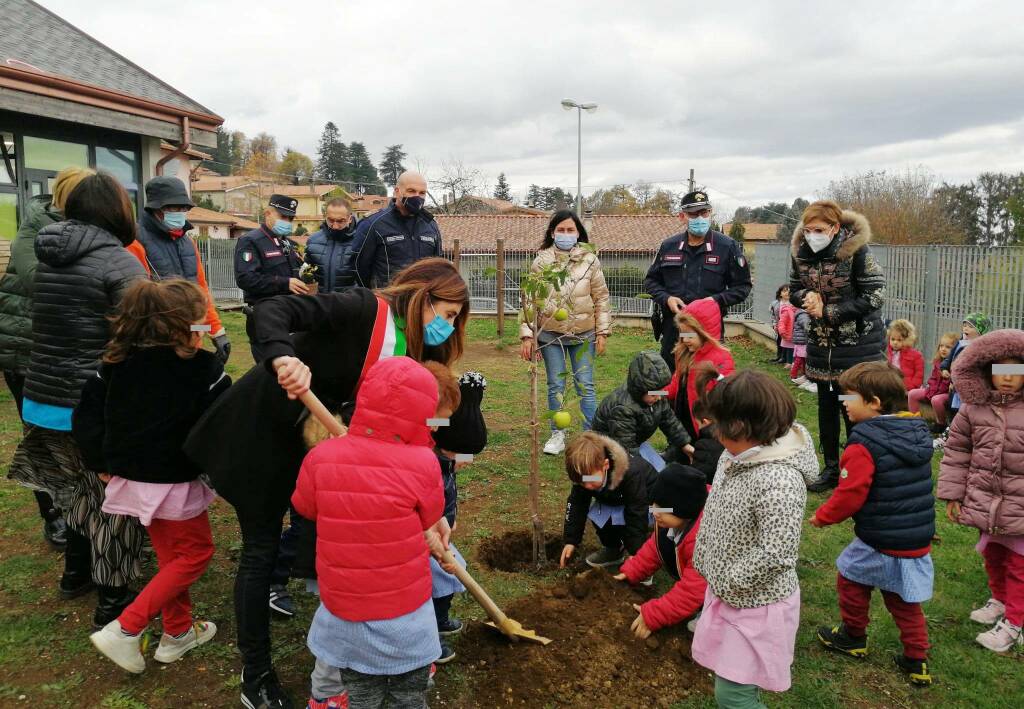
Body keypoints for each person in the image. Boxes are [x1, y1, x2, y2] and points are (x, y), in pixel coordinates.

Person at [183, 258, 468, 709]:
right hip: (261, 432)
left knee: (324, 537)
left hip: (319, 453)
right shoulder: (362, 308)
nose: (448, 328)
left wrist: (423, 505)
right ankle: (256, 672)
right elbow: (273, 311)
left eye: (455, 320)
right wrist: (283, 356)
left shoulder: (413, 349)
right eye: (448, 313)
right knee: (260, 548)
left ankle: (340, 654)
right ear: (423, 295)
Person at [7, 171, 148, 628]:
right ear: (117, 209)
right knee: (113, 502)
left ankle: (75, 574)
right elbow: (138, 336)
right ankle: (113, 600)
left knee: (74, 495)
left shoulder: (46, 255)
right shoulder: (120, 262)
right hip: (92, 402)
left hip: (43, 395)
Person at [74, 279, 229, 673]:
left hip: (130, 478)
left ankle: (177, 633)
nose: (205, 330)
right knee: (195, 554)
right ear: (182, 326)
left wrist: (101, 464)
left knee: (171, 558)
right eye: (200, 323)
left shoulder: (113, 364)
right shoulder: (205, 370)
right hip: (174, 482)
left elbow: (86, 418)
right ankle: (125, 629)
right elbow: (220, 427)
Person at [291, 357, 455, 709]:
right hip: (405, 616)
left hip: (346, 612)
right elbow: (431, 514)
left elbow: (304, 507)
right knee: (409, 696)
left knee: (362, 696)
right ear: (424, 411)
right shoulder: (423, 462)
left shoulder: (322, 457)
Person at [691, 371, 819, 709]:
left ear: (744, 428)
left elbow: (777, 553)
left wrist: (731, 581)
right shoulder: (736, 455)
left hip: (756, 601)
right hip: (730, 592)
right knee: (738, 683)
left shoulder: (779, 479)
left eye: (721, 426)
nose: (715, 435)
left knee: (733, 694)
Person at [809, 362, 936, 686]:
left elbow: (851, 494)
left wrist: (823, 517)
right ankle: (917, 659)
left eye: (849, 399)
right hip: (914, 538)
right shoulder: (915, 433)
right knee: (905, 600)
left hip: (879, 537)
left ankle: (853, 636)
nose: (843, 405)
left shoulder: (863, 442)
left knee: (851, 578)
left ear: (874, 403)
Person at [0, 166, 93, 551]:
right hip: (25, 348)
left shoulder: (89, 229)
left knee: (76, 436)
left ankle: (82, 514)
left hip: (62, 349)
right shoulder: (35, 225)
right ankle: (52, 516)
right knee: (39, 435)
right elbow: (37, 280)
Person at [788, 200, 886, 492]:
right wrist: (806, 297)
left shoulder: (856, 251)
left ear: (834, 228)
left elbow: (875, 295)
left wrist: (831, 312)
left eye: (818, 230)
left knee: (852, 408)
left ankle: (857, 470)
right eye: (807, 230)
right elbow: (793, 289)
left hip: (856, 345)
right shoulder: (800, 254)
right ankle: (831, 469)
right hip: (821, 344)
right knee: (826, 408)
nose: (811, 235)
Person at [938, 328, 1024, 653]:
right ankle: (1000, 600)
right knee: (994, 554)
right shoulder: (973, 409)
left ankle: (1015, 624)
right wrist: (953, 494)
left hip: (1019, 504)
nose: (1006, 379)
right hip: (987, 500)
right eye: (999, 371)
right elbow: (957, 453)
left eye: (1015, 371)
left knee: (1019, 564)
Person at [519, 209, 610, 455]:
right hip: (551, 336)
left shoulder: (590, 260)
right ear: (552, 232)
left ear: (579, 232)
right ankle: (557, 435)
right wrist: (528, 335)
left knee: (585, 385)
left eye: (571, 230)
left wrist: (602, 332)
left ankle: (591, 436)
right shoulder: (541, 261)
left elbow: (601, 297)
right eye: (561, 230)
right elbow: (529, 300)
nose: (566, 234)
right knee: (555, 386)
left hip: (584, 335)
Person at [643, 190, 751, 371]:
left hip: (708, 330)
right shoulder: (669, 246)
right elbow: (651, 281)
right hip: (674, 327)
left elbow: (742, 286)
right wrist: (666, 298)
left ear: (710, 213)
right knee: (671, 378)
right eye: (693, 214)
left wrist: (715, 301)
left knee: (707, 382)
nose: (700, 218)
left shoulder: (727, 246)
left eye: (704, 212)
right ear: (682, 216)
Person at [130, 176, 230, 363]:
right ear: (155, 208)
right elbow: (135, 304)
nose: (180, 213)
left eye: (183, 208)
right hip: (155, 346)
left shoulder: (188, 242)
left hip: (191, 336)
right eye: (173, 208)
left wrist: (215, 331)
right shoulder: (135, 242)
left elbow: (201, 291)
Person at [429, 369, 487, 665]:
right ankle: (428, 639)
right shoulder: (427, 461)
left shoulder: (446, 452)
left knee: (449, 576)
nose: (459, 462)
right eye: (456, 455)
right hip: (420, 535)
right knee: (433, 583)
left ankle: (439, 619)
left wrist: (449, 517)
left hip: (438, 528)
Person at [614, 463, 709, 638]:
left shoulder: (704, 540)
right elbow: (656, 546)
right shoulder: (672, 519)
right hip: (702, 576)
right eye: (655, 503)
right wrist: (632, 570)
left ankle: (713, 613)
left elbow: (693, 588)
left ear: (685, 510)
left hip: (737, 586)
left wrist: (655, 615)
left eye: (663, 507)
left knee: (708, 593)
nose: (655, 511)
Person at [558, 431, 659, 570]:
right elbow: (577, 504)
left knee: (667, 513)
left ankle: (650, 554)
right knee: (599, 513)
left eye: (590, 479)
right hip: (620, 502)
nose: (586, 486)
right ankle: (614, 550)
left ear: (605, 465)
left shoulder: (629, 472)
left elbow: (637, 512)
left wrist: (636, 555)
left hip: (651, 505)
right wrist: (571, 540)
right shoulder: (585, 476)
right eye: (582, 482)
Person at [234, 193, 309, 362]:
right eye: (283, 217)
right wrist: (284, 283)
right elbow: (245, 279)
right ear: (268, 213)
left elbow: (296, 274)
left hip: (290, 317)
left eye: (291, 218)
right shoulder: (250, 241)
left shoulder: (289, 244)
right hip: (264, 317)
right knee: (270, 374)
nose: (287, 222)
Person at [591, 350, 693, 459]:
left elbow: (669, 420)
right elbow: (626, 449)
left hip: (633, 442)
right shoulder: (623, 409)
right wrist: (643, 470)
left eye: (661, 391)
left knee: (657, 468)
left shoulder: (655, 394)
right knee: (648, 473)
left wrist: (684, 444)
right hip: (607, 450)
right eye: (654, 395)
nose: (659, 397)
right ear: (640, 390)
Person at [352, 171, 443, 288]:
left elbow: (437, 266)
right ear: (396, 192)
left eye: (422, 193)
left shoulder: (431, 225)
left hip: (421, 301)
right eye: (411, 191)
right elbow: (358, 267)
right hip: (388, 301)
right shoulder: (373, 224)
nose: (417, 196)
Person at [665, 298, 735, 443]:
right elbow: (675, 385)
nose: (684, 340)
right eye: (682, 335)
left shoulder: (721, 359)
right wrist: (655, 393)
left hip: (704, 429)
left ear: (704, 333)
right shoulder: (684, 354)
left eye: (690, 335)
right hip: (682, 424)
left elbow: (727, 396)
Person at [304, 198, 359, 293]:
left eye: (340, 221)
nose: (335, 226)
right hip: (320, 302)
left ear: (350, 219)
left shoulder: (361, 241)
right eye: (331, 220)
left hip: (350, 303)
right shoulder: (313, 241)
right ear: (325, 217)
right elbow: (307, 273)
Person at [907, 332, 958, 431]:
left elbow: (950, 385)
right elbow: (933, 379)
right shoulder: (938, 362)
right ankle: (915, 421)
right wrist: (930, 390)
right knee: (912, 393)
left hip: (946, 394)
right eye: (941, 346)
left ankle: (941, 423)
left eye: (948, 347)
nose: (943, 349)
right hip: (934, 390)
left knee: (936, 400)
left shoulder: (954, 364)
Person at [689, 364, 727, 484]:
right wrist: (658, 393)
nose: (685, 343)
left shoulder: (718, 359)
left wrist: (654, 393)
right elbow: (674, 386)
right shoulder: (683, 357)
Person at [885, 319, 924, 391]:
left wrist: (912, 386)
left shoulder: (916, 355)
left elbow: (919, 373)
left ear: (907, 340)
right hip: (892, 386)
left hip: (908, 388)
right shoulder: (888, 352)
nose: (895, 342)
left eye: (899, 340)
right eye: (893, 339)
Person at [789, 306, 813, 389]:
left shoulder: (800, 313)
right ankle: (794, 374)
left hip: (800, 340)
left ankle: (801, 374)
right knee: (800, 359)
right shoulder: (804, 315)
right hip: (803, 341)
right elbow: (807, 327)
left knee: (801, 360)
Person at [777, 291, 796, 365]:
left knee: (793, 348)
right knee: (789, 347)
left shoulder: (798, 310)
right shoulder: (787, 309)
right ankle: (788, 361)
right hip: (788, 332)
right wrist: (782, 331)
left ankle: (790, 362)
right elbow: (782, 321)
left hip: (794, 333)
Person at [769, 286, 784, 364]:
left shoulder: (791, 303)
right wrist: (774, 324)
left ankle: (784, 358)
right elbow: (773, 315)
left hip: (786, 326)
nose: (786, 292)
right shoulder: (775, 303)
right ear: (780, 293)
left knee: (784, 342)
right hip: (778, 325)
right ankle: (779, 356)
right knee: (779, 341)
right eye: (784, 291)